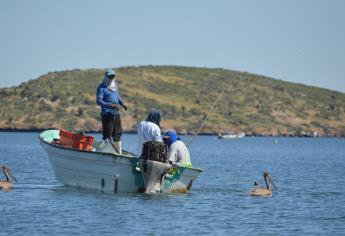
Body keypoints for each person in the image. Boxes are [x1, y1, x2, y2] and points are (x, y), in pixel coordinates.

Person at [96, 69, 127, 154]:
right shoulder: (101, 88)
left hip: (116, 113)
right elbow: (98, 101)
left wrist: (122, 104)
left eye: (113, 76)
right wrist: (110, 105)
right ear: (106, 76)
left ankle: (118, 153)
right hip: (107, 114)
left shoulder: (115, 85)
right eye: (110, 76)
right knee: (107, 136)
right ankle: (106, 153)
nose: (111, 78)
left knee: (117, 134)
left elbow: (117, 96)